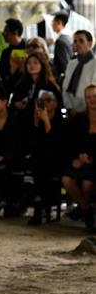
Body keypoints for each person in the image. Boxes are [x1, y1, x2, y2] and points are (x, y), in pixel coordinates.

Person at [61, 84, 96, 232]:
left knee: (87, 184)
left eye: (95, 96)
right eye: (89, 97)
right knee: (66, 180)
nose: (92, 99)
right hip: (80, 161)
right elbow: (70, 143)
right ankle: (86, 209)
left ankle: (83, 210)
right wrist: (76, 158)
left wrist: (92, 158)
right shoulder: (79, 119)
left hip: (94, 163)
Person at [28, 90, 65, 225]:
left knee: (43, 165)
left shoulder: (61, 121)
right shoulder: (37, 120)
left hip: (57, 160)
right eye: (41, 102)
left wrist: (46, 121)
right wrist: (37, 123)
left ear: (55, 103)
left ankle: (40, 208)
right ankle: (39, 207)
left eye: (48, 101)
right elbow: (33, 145)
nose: (44, 104)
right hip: (40, 162)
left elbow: (56, 145)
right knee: (37, 164)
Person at [11, 50, 62, 118]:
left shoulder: (48, 84)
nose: (32, 65)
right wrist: (16, 104)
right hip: (23, 119)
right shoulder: (22, 83)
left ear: (42, 65)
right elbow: (13, 101)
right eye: (29, 63)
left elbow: (56, 104)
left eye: (35, 63)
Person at [62, 30, 95, 115]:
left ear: (90, 43)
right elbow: (65, 87)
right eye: (75, 41)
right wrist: (69, 107)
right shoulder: (71, 63)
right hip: (72, 110)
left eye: (81, 41)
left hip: (89, 111)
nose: (77, 44)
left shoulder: (94, 64)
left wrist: (86, 110)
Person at [0, 18, 27, 93]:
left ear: (15, 32)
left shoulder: (28, 48)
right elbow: (2, 74)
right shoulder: (5, 53)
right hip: (11, 89)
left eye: (6, 31)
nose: (3, 33)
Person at [49, 11, 73, 82]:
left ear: (59, 23)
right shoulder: (68, 37)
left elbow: (64, 64)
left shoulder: (60, 41)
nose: (51, 25)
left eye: (53, 22)